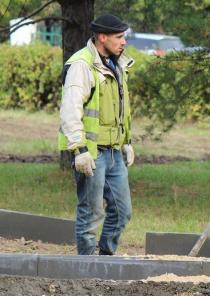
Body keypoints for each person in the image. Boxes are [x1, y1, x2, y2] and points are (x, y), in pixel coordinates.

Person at [58, 14, 135, 255]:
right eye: (119, 37)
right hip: (91, 153)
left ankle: (105, 258)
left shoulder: (117, 64)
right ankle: (86, 266)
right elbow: (71, 110)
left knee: (122, 211)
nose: (124, 42)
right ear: (103, 37)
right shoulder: (83, 65)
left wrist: (127, 142)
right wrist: (79, 150)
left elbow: (121, 108)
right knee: (91, 213)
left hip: (113, 151)